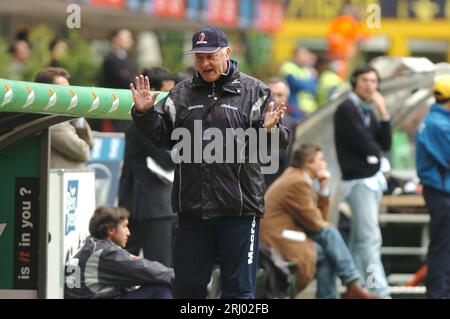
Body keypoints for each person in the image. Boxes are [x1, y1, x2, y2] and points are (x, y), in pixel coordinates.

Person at [130, 25, 290, 298]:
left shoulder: (256, 92)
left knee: (238, 291)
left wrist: (269, 131)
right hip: (193, 211)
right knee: (187, 288)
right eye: (199, 57)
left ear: (227, 53)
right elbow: (163, 138)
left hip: (239, 211)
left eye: (211, 56)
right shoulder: (180, 94)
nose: (204, 63)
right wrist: (144, 114)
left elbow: (279, 143)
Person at [260, 144, 379, 298]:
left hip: (290, 234)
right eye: (320, 160)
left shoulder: (297, 178)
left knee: (329, 245)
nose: (324, 164)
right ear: (308, 163)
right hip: (278, 239)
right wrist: (326, 226)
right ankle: (352, 283)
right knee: (329, 236)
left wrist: (324, 187)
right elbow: (316, 224)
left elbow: (319, 220)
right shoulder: (296, 182)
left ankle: (351, 284)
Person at [334, 65, 391, 297]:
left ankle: (357, 288)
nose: (370, 85)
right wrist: (374, 155)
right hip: (360, 182)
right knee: (370, 238)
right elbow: (366, 145)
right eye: (365, 80)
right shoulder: (347, 108)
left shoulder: (368, 110)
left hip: (369, 180)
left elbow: (384, 145)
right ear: (354, 82)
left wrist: (384, 111)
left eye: (374, 81)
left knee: (360, 239)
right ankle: (379, 290)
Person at [119, 66, 176, 267]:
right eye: (167, 93)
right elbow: (168, 160)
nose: (171, 99)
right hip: (152, 207)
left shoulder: (154, 123)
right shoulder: (145, 125)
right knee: (159, 269)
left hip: (147, 205)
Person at [64, 206, 174, 299]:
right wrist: (178, 277)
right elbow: (145, 269)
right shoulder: (105, 253)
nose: (129, 232)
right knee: (161, 286)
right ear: (111, 230)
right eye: (125, 226)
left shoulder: (93, 245)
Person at [415, 74, 450, 298]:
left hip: (440, 193)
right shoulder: (439, 125)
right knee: (443, 249)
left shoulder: (435, 121)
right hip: (442, 195)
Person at [34, 67, 93, 170]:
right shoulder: (48, 119)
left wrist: (78, 121)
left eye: (69, 88)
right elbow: (82, 151)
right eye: (63, 89)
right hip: (57, 181)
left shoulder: (65, 115)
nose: (69, 93)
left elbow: (91, 144)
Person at [263, 77, 297, 188]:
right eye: (272, 94)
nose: (275, 99)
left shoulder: (293, 124)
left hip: (282, 184)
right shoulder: (253, 121)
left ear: (286, 98)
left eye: (280, 95)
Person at [102, 28, 135, 132]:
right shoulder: (111, 59)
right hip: (113, 104)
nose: (129, 40)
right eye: (126, 37)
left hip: (126, 104)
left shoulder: (126, 58)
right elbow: (124, 79)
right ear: (115, 39)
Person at [280, 46, 317, 121]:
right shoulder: (288, 67)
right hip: (295, 109)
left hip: (309, 109)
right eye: (304, 54)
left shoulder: (306, 69)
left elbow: (313, 87)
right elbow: (298, 85)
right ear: (295, 56)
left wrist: (307, 83)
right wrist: (310, 81)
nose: (306, 57)